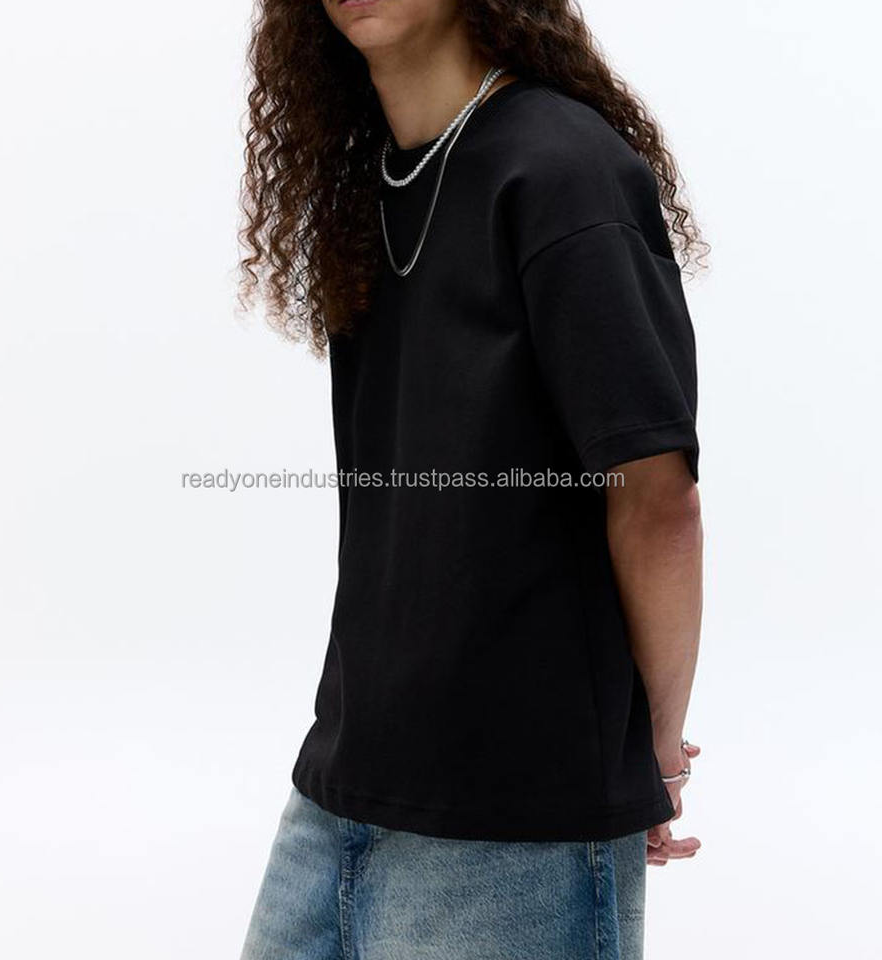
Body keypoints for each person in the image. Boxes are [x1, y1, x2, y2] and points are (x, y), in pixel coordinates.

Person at [238, 1, 705, 957]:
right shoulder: (375, 179)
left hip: (514, 820)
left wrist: (651, 754)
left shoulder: (563, 169)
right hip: (345, 784)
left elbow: (657, 494)